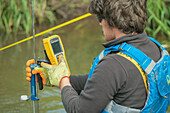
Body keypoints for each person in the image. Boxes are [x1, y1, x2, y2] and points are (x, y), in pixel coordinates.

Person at [26, 0, 170, 113]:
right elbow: (100, 83)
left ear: (112, 21)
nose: (100, 23)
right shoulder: (155, 48)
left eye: (100, 18)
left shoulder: (114, 64)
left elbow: (78, 110)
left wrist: (63, 81)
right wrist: (55, 79)